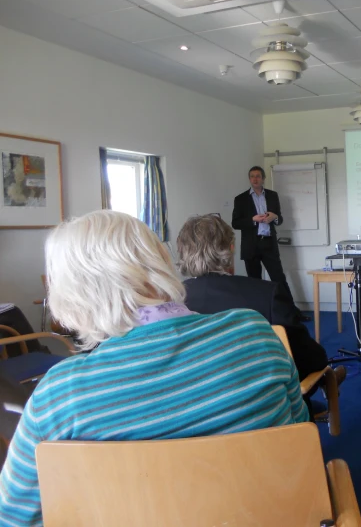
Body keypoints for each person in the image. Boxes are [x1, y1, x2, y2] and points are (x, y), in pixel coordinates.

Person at [0, 211, 308, 525]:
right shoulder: (254, 334)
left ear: (71, 292)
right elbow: (300, 438)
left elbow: (13, 517)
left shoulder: (58, 397)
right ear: (159, 260)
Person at [177, 213, 342, 388]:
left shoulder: (168, 302)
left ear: (183, 253)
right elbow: (308, 360)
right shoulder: (268, 294)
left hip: (192, 404)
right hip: (265, 405)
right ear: (231, 248)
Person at [232, 166, 309, 321]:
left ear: (263, 178)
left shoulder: (273, 196)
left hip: (268, 244)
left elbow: (279, 219)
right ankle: (259, 316)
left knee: (279, 280)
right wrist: (253, 220)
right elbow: (235, 223)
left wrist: (274, 217)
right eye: (252, 176)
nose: (255, 179)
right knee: (255, 283)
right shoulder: (240, 198)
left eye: (258, 176)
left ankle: (292, 314)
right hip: (251, 246)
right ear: (249, 179)